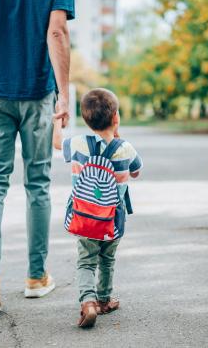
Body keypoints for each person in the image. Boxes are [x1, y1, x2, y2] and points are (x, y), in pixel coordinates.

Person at [0, 0, 75, 313]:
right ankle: (36, 277)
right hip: (36, 92)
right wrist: (64, 95)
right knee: (37, 183)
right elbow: (57, 33)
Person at [53, 88, 143, 327]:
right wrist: (117, 135)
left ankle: (88, 302)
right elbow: (135, 172)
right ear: (116, 118)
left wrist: (57, 121)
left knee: (85, 261)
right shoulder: (126, 149)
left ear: (86, 119)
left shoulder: (78, 144)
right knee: (107, 259)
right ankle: (104, 300)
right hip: (112, 219)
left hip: (84, 218)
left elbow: (56, 144)